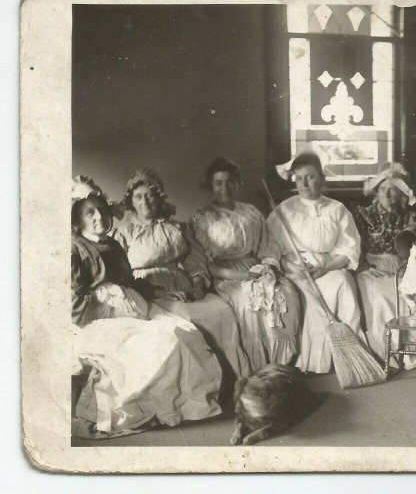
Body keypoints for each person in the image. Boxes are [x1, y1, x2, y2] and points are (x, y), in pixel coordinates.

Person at [71, 176, 222, 439]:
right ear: (77, 219)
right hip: (96, 319)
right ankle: (150, 408)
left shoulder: (113, 244)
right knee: (159, 342)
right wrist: (105, 298)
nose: (99, 216)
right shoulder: (74, 250)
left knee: (184, 334)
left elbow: (129, 282)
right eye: (90, 212)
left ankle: (181, 405)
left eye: (102, 209)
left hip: (131, 308)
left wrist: (151, 291)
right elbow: (73, 305)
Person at [112, 168, 250, 379]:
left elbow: (195, 261)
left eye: (149, 195)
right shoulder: (123, 232)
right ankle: (200, 381)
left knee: (221, 311)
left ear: (159, 198)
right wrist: (155, 292)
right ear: (131, 201)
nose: (145, 202)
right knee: (186, 321)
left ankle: (228, 379)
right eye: (138, 197)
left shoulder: (177, 227)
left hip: (182, 284)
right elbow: (121, 276)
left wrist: (198, 285)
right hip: (146, 290)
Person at [191, 157, 302, 372]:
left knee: (285, 293)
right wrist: (238, 276)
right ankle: (258, 367)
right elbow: (202, 260)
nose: (225, 188)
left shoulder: (252, 212)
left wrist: (268, 266)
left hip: (256, 268)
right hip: (224, 275)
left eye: (230, 181)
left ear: (238, 183)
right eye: (218, 183)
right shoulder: (200, 217)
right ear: (210, 186)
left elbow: (268, 244)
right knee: (247, 302)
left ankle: (282, 364)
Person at [267, 151, 365, 374]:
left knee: (344, 283)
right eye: (299, 178)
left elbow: (349, 249)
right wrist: (294, 269)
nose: (304, 183)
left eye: (310, 177)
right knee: (307, 298)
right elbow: (272, 247)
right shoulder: (284, 210)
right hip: (293, 268)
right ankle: (313, 363)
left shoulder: (336, 209)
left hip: (327, 266)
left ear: (322, 178)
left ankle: (351, 356)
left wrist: (325, 268)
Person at [353, 162, 416, 366]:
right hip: (370, 268)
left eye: (393, 190)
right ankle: (386, 352)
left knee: (410, 295)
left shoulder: (411, 218)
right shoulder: (363, 215)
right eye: (383, 189)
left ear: (402, 194)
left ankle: (407, 352)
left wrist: (410, 269)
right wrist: (364, 266)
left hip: (403, 267)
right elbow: (354, 246)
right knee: (384, 294)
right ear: (376, 192)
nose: (387, 194)